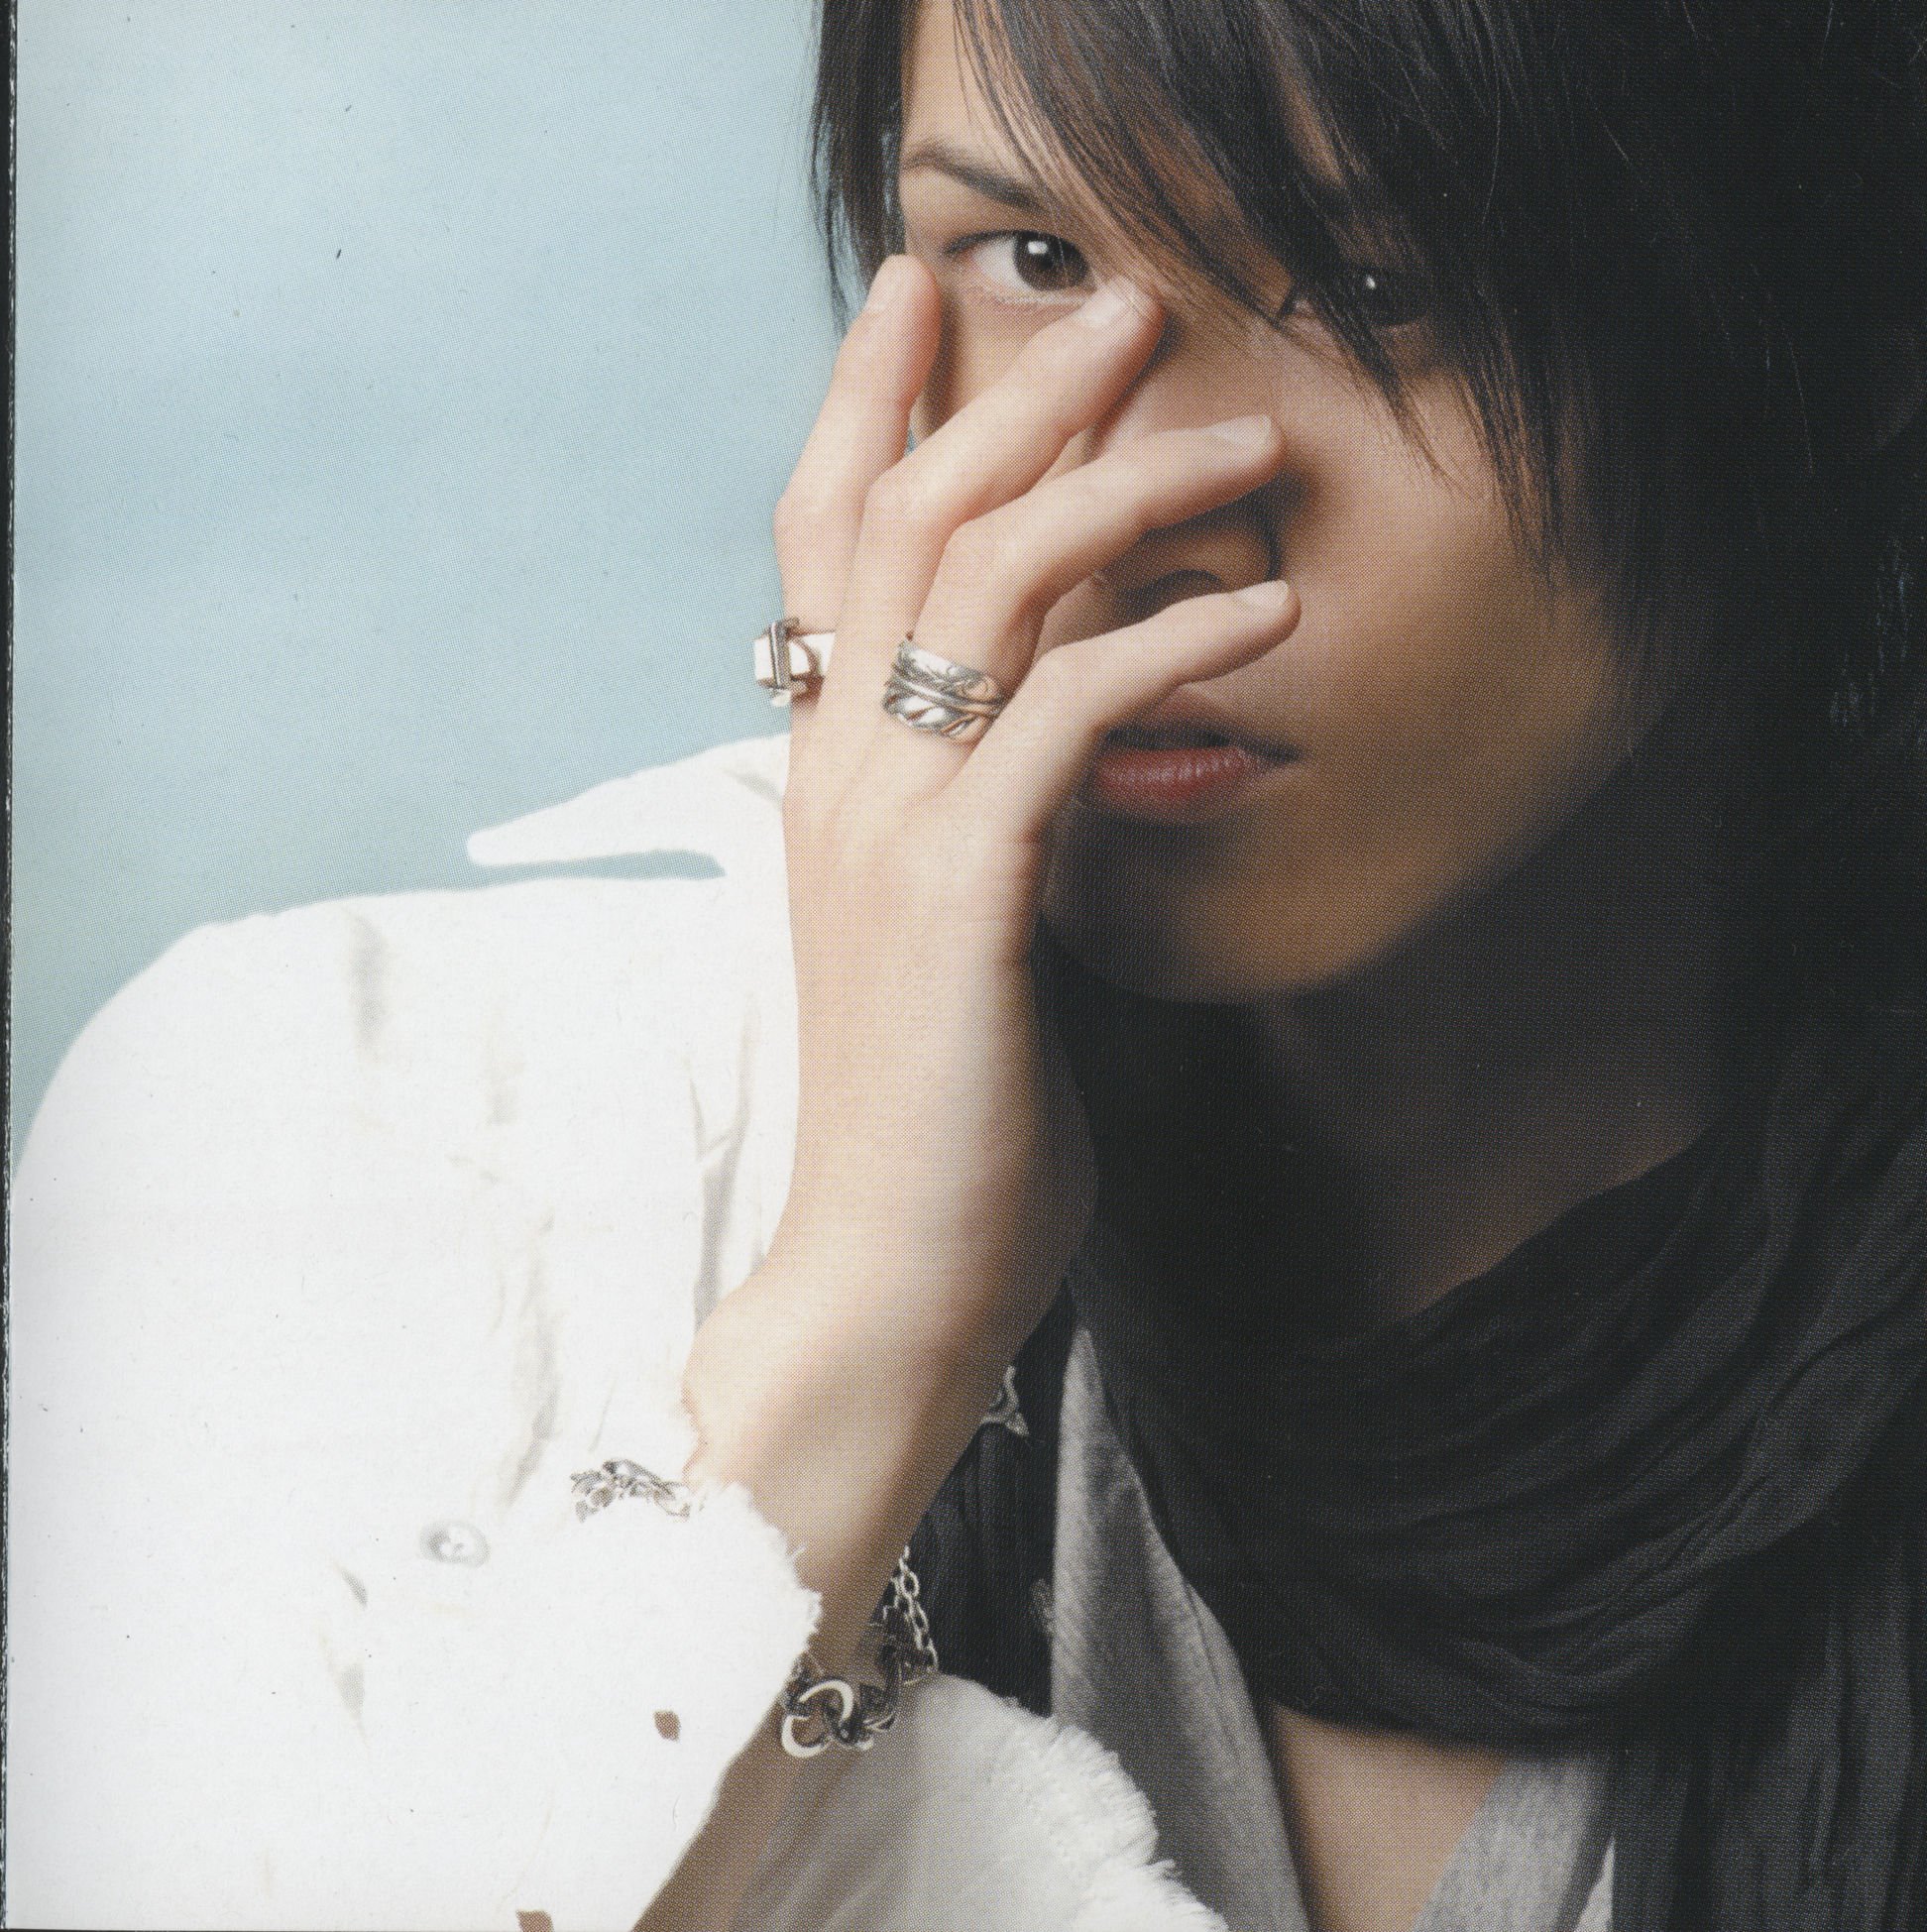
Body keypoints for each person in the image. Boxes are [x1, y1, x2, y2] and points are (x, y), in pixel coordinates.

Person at [9, 0, 1926, 1927]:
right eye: (1035, 260)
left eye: (1375, 287)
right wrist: (854, 1330)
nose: (1139, 518)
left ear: (1849, 330)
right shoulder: (350, 1155)